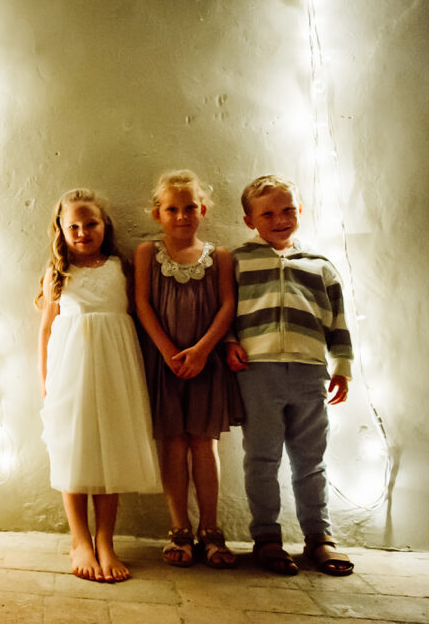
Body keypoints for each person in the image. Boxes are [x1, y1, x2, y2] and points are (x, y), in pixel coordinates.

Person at [226, 175, 355, 577]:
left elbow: (338, 322)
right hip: (257, 372)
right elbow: (224, 311)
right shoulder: (238, 261)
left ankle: (320, 537)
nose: (280, 219)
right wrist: (229, 341)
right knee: (261, 458)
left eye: (288, 210)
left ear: (300, 212)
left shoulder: (320, 266)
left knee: (310, 459)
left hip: (309, 372)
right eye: (268, 213)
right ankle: (266, 537)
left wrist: (343, 367)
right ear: (250, 220)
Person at [37, 188, 162, 583]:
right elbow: (45, 330)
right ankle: (79, 540)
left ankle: (106, 540)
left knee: (112, 453)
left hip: (114, 370)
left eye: (90, 223)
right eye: (72, 225)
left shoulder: (120, 267)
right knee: (73, 451)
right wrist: (45, 381)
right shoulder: (58, 271)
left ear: (104, 224)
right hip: (69, 372)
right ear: (60, 229)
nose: (82, 231)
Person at [134, 170, 244, 569]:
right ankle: (179, 528)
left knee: (203, 445)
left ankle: (211, 531)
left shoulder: (221, 257)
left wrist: (200, 351)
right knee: (173, 445)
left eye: (189, 208)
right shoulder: (148, 252)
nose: (182, 216)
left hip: (206, 364)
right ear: (157, 214)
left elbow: (227, 306)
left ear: (203, 210)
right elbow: (143, 303)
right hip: (165, 365)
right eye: (172, 209)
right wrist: (168, 352)